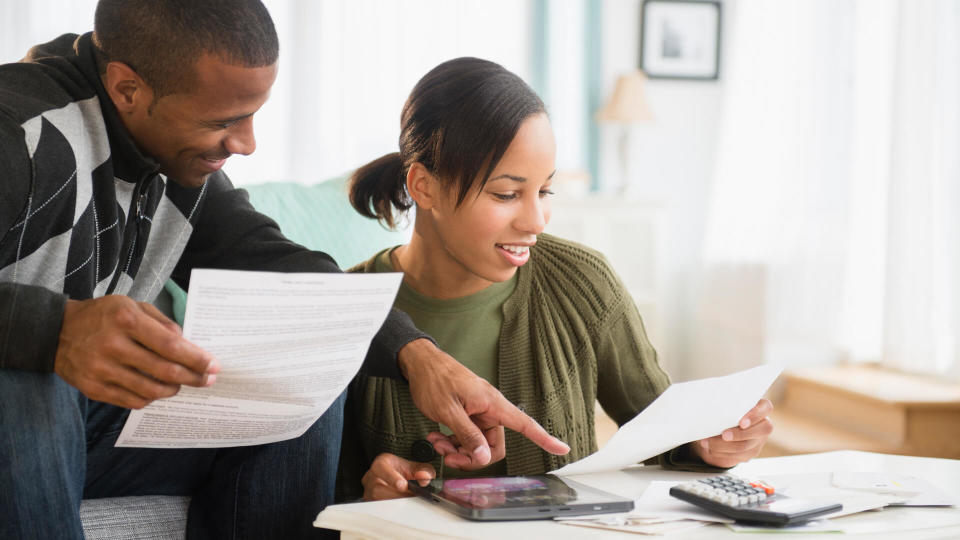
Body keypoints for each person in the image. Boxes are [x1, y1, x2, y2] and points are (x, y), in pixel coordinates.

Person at [0, 3, 568, 539]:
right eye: (226, 119)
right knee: (28, 382)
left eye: (254, 115)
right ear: (127, 87)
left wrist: (419, 356)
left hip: (82, 428)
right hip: (26, 419)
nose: (247, 143)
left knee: (296, 377)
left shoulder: (172, 158)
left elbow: (276, 263)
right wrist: (58, 327)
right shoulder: (17, 132)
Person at [338, 57, 774, 501]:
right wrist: (367, 491)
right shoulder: (343, 311)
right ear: (424, 186)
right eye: (507, 194)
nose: (536, 221)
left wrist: (707, 444)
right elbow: (313, 492)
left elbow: (661, 428)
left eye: (545, 191)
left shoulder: (583, 282)